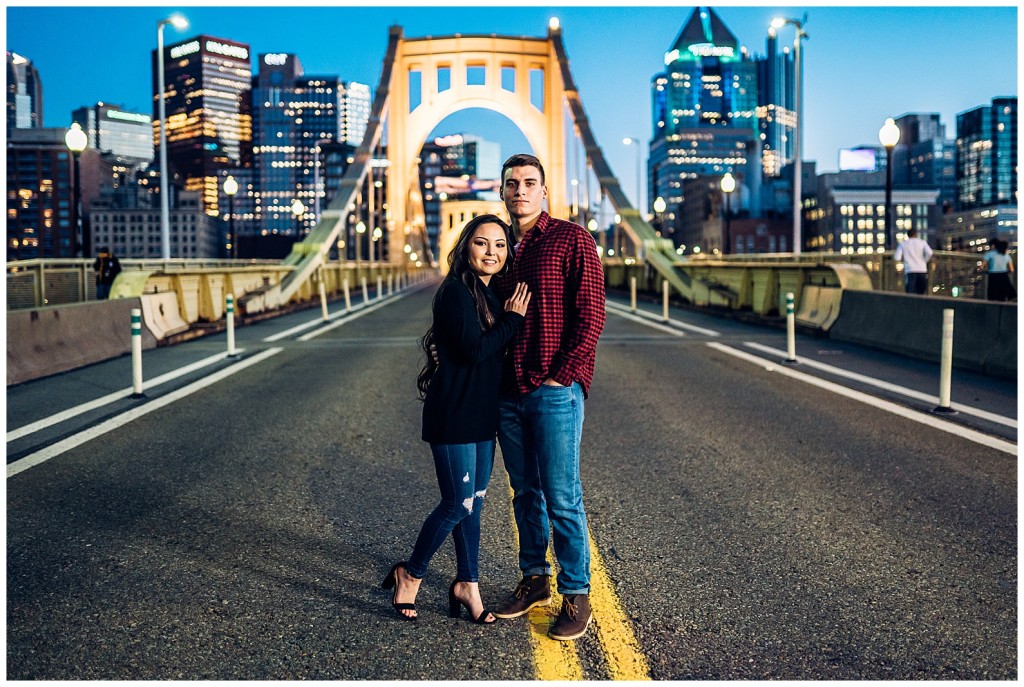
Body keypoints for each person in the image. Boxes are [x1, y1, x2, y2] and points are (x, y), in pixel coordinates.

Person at [382, 214, 531, 623]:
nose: (491, 252)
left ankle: (468, 584)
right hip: (454, 412)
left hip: (482, 413)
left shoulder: (490, 292)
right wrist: (513, 320)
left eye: (500, 245)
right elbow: (474, 350)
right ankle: (410, 574)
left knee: (474, 504)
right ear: (466, 246)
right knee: (457, 503)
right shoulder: (455, 292)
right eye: (482, 243)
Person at [490, 153, 606, 641]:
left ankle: (576, 593)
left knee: (562, 496)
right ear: (501, 191)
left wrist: (562, 377)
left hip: (553, 390)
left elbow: (592, 314)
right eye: (511, 183)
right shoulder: (498, 247)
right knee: (525, 493)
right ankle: (535, 579)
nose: (519, 190)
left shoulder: (571, 238)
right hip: (508, 391)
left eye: (528, 183)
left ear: (544, 191)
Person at [893, 229, 933, 295]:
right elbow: (930, 252)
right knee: (921, 293)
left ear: (908, 235)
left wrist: (903, 260)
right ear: (916, 234)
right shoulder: (922, 242)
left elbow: (897, 257)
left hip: (910, 270)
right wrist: (925, 260)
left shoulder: (903, 244)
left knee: (910, 293)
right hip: (922, 270)